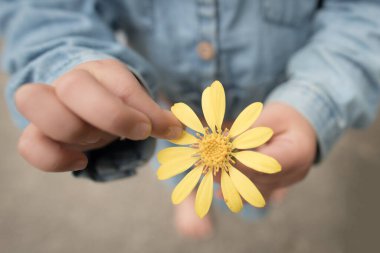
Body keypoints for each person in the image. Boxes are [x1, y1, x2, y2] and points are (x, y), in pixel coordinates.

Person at [1, 0, 380, 238]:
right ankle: (190, 199)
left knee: (263, 172)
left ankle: (255, 197)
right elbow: (38, 9)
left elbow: (366, 13)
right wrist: (70, 66)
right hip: (169, 110)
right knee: (176, 161)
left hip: (271, 103)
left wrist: (313, 104)